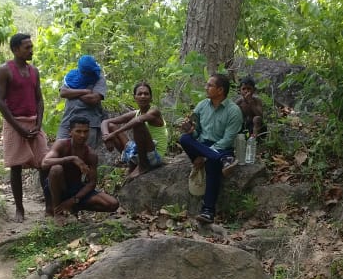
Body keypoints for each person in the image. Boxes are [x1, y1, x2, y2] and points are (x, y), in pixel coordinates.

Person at [0, 33, 49, 222]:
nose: (31, 50)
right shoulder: (5, 70)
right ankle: (19, 209)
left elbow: (39, 99)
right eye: (27, 47)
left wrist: (39, 123)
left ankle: (50, 206)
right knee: (16, 167)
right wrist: (18, 127)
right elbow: (0, 101)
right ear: (16, 50)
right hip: (14, 123)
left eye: (31, 46)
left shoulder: (34, 71)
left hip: (33, 122)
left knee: (45, 164)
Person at [177, 74, 243, 224]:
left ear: (220, 90)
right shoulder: (201, 105)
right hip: (204, 146)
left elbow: (228, 139)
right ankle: (223, 160)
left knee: (212, 165)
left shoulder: (233, 111)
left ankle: (208, 211)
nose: (206, 88)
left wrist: (206, 156)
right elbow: (196, 133)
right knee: (184, 138)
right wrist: (189, 130)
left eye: (209, 85)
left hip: (222, 147)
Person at [42, 116, 119, 222]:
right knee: (56, 169)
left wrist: (74, 200)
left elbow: (91, 183)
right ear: (70, 132)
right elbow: (45, 163)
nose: (82, 135)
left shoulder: (91, 154)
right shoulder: (61, 144)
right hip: (58, 186)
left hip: (76, 188)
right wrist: (72, 158)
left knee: (112, 204)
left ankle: (72, 207)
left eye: (86, 131)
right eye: (78, 131)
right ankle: (57, 211)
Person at [101, 81, 166, 180]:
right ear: (134, 97)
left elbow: (138, 120)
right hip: (140, 152)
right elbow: (105, 122)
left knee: (138, 124)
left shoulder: (154, 112)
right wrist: (106, 136)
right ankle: (132, 164)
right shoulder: (136, 112)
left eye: (146, 94)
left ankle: (143, 165)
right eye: (140, 94)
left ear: (151, 97)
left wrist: (113, 134)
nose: (143, 96)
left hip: (155, 156)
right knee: (111, 126)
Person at [57, 54, 108, 148]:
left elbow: (93, 99)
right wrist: (84, 91)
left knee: (85, 152)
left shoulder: (99, 78)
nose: (88, 74)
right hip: (69, 119)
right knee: (60, 149)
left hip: (89, 122)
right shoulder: (72, 76)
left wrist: (72, 93)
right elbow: (63, 93)